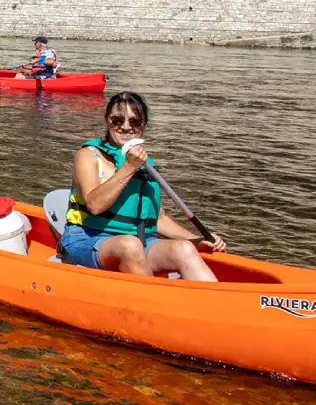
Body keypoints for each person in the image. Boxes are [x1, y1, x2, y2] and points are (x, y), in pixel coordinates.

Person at [59, 92, 223, 282]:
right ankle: (158, 304)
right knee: (130, 245)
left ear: (143, 125)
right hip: (88, 239)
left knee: (184, 248)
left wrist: (196, 240)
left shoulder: (146, 163)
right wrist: (128, 167)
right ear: (107, 120)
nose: (126, 127)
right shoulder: (88, 155)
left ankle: (214, 306)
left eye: (135, 122)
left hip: (137, 242)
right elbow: (95, 205)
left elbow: (158, 219)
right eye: (118, 120)